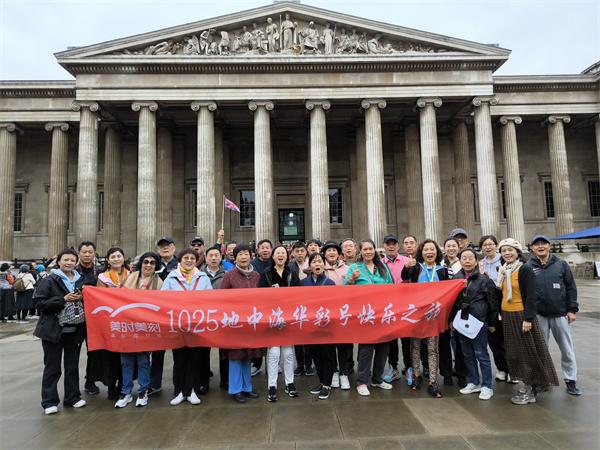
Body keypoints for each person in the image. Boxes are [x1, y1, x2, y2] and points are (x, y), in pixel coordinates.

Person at [496, 238, 558, 405]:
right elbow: (500, 293)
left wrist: (528, 318)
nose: (507, 253)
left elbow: (531, 296)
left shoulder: (525, 269)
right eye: (503, 251)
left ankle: (531, 387)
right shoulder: (503, 270)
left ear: (517, 252)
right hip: (507, 315)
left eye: (510, 250)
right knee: (514, 353)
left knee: (527, 353)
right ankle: (527, 384)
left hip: (521, 315)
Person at [33, 248, 86, 414]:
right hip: (52, 331)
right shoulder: (49, 280)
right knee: (52, 367)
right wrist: (63, 299)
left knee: (72, 366)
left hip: (74, 330)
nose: (69, 263)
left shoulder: (79, 280)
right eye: (66, 260)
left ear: (76, 262)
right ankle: (49, 401)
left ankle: (72, 397)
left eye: (72, 260)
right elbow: (39, 304)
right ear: (59, 261)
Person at [527, 234, 581, 396]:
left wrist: (572, 309)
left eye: (544, 243)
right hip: (539, 315)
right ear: (532, 248)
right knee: (540, 349)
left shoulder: (561, 264)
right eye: (537, 244)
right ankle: (542, 380)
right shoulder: (528, 266)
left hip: (560, 313)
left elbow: (571, 287)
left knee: (566, 348)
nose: (541, 246)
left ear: (549, 246)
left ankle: (570, 379)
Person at [161, 248, 212, 405]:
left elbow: (210, 298)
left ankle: (193, 391)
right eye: (186, 258)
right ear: (180, 260)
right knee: (179, 358)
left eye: (192, 258)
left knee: (195, 359)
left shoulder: (203, 277)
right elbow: (163, 298)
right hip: (177, 325)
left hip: (197, 325)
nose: (189, 260)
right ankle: (179, 391)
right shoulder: (171, 278)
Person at [401, 239, 450, 398]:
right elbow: (404, 276)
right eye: (426, 249)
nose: (429, 252)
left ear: (437, 252)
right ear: (421, 252)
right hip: (417, 315)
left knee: (432, 349)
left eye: (432, 249)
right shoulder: (416, 267)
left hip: (434, 316)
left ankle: (433, 382)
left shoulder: (443, 270)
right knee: (415, 346)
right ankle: (416, 376)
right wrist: (407, 266)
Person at [345, 239, 394, 397]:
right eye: (365, 249)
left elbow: (392, 287)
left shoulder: (383, 267)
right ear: (360, 251)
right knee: (366, 349)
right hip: (365, 315)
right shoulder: (354, 267)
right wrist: (352, 279)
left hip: (382, 314)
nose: (368, 252)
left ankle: (377, 379)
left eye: (370, 248)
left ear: (374, 250)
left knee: (383, 348)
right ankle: (362, 381)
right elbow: (344, 291)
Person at [116, 252, 163, 408]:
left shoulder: (159, 282)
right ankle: (126, 392)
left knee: (143, 361)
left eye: (152, 263)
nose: (148, 265)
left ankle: (143, 391)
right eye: (145, 262)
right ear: (141, 263)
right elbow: (118, 297)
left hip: (145, 326)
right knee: (126, 361)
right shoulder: (130, 278)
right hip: (128, 325)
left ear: (156, 266)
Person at [452, 249, 498, 400]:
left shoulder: (484, 279)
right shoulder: (456, 278)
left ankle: (486, 386)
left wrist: (491, 323)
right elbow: (453, 303)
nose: (467, 261)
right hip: (462, 322)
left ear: (476, 261)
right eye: (463, 258)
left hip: (479, 321)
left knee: (481, 354)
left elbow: (492, 303)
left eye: (470, 258)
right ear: (460, 261)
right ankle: (473, 381)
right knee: (467, 354)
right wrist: (452, 320)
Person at [220, 244, 262, 403]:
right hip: (235, 324)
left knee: (248, 356)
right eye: (240, 254)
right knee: (235, 357)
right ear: (235, 257)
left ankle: (247, 387)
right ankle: (235, 389)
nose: (244, 257)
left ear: (251, 256)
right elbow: (223, 300)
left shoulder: (257, 275)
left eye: (246, 253)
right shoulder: (229, 276)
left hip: (252, 323)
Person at [259, 245, 300, 402]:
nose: (280, 255)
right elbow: (260, 294)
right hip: (273, 318)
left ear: (287, 256)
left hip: (289, 318)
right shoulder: (267, 273)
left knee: (289, 353)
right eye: (278, 253)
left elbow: (298, 293)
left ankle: (290, 383)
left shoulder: (292, 273)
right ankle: (272, 386)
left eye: (283, 253)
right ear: (273, 257)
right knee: (274, 353)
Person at [91, 246, 129, 400]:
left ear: (123, 258)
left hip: (127, 321)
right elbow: (99, 298)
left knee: (126, 355)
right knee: (111, 355)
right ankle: (112, 386)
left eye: (119, 256)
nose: (116, 259)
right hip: (110, 320)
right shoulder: (103, 277)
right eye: (112, 256)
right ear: (108, 260)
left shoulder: (131, 275)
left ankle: (123, 385)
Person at [477, 235, 513, 383]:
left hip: (504, 300)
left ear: (496, 245)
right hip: (489, 304)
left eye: (491, 244)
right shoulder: (480, 264)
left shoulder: (504, 259)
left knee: (508, 338)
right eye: (485, 245)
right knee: (493, 339)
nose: (488, 247)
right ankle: (501, 368)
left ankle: (512, 370)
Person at [302, 252, 336, 399]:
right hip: (311, 327)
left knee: (328, 355)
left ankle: (327, 384)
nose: (317, 264)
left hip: (326, 326)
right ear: (310, 266)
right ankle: (321, 381)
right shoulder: (303, 283)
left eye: (320, 262)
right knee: (316, 355)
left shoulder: (330, 283)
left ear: (324, 265)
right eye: (314, 262)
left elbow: (335, 305)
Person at [321, 240, 352, 390]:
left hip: (344, 313)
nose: (331, 253)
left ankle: (344, 373)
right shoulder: (319, 268)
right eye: (328, 250)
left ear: (339, 254)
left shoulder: (348, 268)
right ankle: (333, 371)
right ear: (324, 254)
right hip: (326, 314)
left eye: (334, 250)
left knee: (344, 345)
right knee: (329, 345)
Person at [149, 237, 177, 395]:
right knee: (157, 350)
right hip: (157, 314)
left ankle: (178, 383)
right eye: (162, 246)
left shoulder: (179, 265)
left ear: (174, 248)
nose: (165, 248)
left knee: (178, 350)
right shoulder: (153, 265)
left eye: (168, 246)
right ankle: (154, 382)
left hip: (175, 313)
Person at [381, 234, 410, 383]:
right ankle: (393, 368)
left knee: (406, 339)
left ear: (398, 246)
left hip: (405, 305)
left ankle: (409, 368)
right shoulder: (379, 263)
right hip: (388, 307)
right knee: (391, 340)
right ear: (384, 246)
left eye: (393, 244)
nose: (391, 246)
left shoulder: (407, 261)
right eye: (388, 244)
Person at [439, 237, 467, 387]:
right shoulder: (440, 265)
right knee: (443, 343)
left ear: (458, 247)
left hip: (459, 308)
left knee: (460, 342)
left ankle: (462, 373)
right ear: (444, 248)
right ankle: (446, 373)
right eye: (448, 246)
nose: (451, 249)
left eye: (453, 246)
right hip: (443, 309)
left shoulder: (463, 264)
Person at [75, 241, 102, 396]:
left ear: (94, 253)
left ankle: (90, 380)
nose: (87, 254)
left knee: (93, 351)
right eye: (84, 252)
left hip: (94, 318)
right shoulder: (73, 271)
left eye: (90, 252)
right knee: (74, 352)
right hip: (77, 317)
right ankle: (72, 386)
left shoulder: (99, 272)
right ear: (79, 253)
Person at [202, 244, 228, 387]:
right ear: (205, 258)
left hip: (222, 318)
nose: (213, 258)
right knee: (203, 352)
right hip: (204, 318)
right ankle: (204, 381)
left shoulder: (227, 275)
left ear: (221, 258)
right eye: (210, 256)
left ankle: (225, 381)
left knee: (224, 352)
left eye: (216, 255)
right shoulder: (198, 275)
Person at [288, 241, 314, 376]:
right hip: (295, 306)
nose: (299, 254)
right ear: (292, 253)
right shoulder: (289, 266)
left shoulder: (312, 264)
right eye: (297, 251)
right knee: (297, 338)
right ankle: (300, 365)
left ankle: (309, 364)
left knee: (309, 337)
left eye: (302, 251)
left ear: (306, 252)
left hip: (310, 305)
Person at [249, 238, 273, 376]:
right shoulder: (253, 264)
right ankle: (256, 363)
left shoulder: (275, 261)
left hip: (274, 305)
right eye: (262, 247)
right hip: (257, 305)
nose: (265, 250)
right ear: (257, 250)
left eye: (267, 247)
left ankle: (273, 363)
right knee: (258, 336)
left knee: (274, 335)